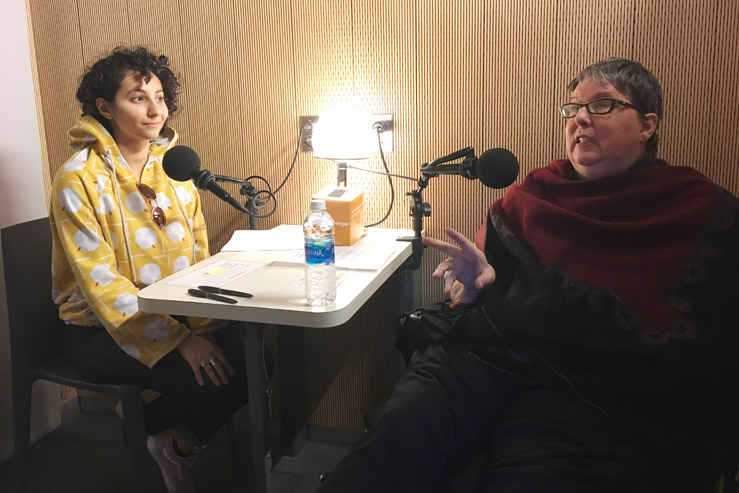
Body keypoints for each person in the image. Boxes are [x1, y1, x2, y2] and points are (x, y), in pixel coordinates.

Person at [316, 58, 739, 492]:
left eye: (603, 105)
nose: (580, 119)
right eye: (572, 109)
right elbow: (480, 288)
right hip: (481, 360)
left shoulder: (696, 208)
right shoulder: (536, 193)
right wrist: (473, 284)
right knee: (394, 440)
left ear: (647, 125)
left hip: (589, 393)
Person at [49, 46, 248, 493]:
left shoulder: (174, 171)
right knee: (212, 384)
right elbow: (101, 285)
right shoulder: (77, 179)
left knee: (255, 361)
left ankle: (169, 441)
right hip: (99, 327)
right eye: (138, 97)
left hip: (176, 314)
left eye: (159, 96)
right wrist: (181, 340)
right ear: (104, 107)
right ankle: (154, 432)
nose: (155, 108)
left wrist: (204, 327)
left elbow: (198, 254)